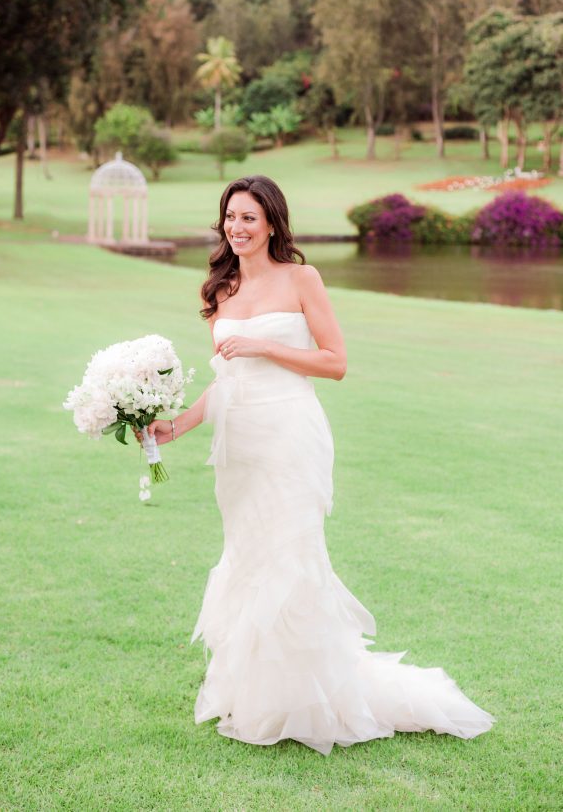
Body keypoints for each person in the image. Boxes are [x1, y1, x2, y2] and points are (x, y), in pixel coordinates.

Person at [140, 174, 494, 755]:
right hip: (240, 444)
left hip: (290, 434)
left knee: (292, 558)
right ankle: (259, 695)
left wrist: (265, 345)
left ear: (272, 223)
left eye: (249, 217)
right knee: (250, 557)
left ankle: (312, 699)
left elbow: (335, 362)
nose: (237, 227)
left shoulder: (301, 278)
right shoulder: (220, 289)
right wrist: (174, 427)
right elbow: (227, 377)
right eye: (230, 216)